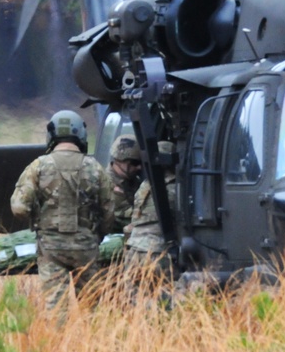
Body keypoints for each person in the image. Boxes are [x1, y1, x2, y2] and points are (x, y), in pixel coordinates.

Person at [10, 110, 114, 311]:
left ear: (51, 134)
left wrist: (39, 222)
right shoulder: (95, 167)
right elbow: (109, 211)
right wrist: (97, 235)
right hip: (86, 246)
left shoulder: (38, 166)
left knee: (56, 307)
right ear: (81, 134)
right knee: (92, 305)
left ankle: (60, 341)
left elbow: (19, 208)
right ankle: (94, 342)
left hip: (51, 246)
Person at [123, 141, 178, 284]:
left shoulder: (145, 185)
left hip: (133, 250)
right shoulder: (176, 187)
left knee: (133, 300)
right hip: (157, 251)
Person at [107, 134, 143, 234]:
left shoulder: (134, 180)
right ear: (119, 160)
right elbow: (125, 216)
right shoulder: (107, 183)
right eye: (134, 163)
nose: (139, 167)